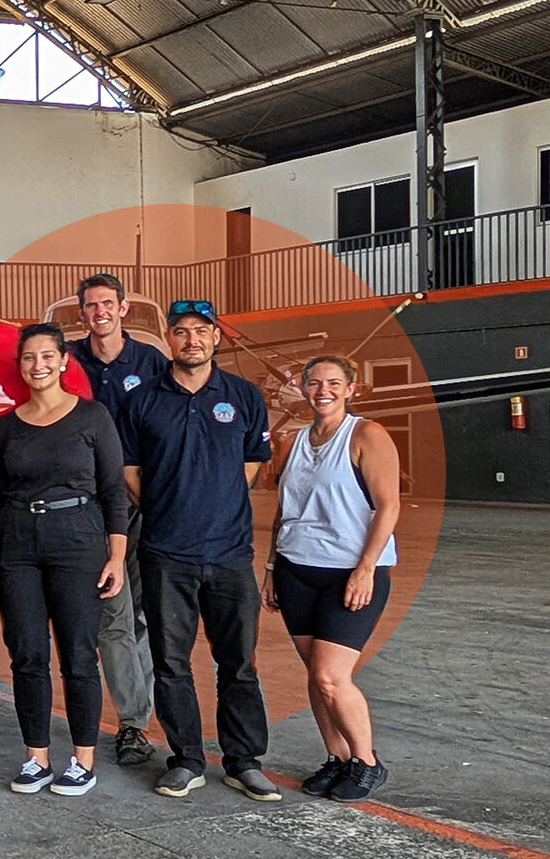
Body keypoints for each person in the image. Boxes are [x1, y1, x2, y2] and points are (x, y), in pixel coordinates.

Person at [119, 299, 278, 801]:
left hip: (231, 555)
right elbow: (128, 469)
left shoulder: (244, 396)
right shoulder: (142, 398)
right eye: (181, 331)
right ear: (169, 339)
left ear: (215, 339)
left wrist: (218, 499)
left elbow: (253, 461)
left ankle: (243, 761)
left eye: (201, 331)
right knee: (171, 663)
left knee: (239, 663)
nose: (191, 339)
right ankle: (187, 758)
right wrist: (170, 506)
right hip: (166, 554)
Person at [0, 325, 129, 797]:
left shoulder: (93, 417)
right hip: (17, 543)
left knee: (79, 654)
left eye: (48, 355)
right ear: (20, 365)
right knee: (27, 653)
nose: (38, 364)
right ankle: (36, 757)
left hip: (77, 540)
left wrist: (117, 556)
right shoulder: (6, 426)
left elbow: (112, 491)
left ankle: (83, 760)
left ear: (64, 360)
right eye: (29, 357)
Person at [263, 356, 400, 802]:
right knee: (314, 673)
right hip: (296, 569)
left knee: (330, 676)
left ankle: (367, 762)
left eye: (334, 383)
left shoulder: (366, 435)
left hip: (349, 572)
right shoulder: (295, 442)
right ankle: (337, 758)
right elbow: (285, 511)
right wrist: (270, 569)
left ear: (350, 389)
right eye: (315, 383)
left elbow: (388, 506)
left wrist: (365, 569)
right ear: (303, 389)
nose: (323, 390)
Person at [66, 272, 163, 767]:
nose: (99, 312)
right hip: (96, 511)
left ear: (123, 308)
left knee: (145, 617)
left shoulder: (150, 362)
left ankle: (135, 718)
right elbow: (17, 354)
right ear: (81, 314)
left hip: (149, 505)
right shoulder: (65, 360)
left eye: (107, 303)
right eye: (90, 306)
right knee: (115, 617)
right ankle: (133, 725)